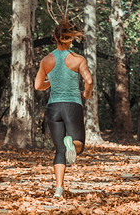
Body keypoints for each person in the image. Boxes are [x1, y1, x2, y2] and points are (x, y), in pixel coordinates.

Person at [34, 19, 93, 198]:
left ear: (55, 38)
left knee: (59, 151)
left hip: (53, 108)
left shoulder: (46, 60)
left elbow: (38, 85)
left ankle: (58, 189)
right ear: (69, 40)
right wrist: (87, 95)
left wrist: (53, 80)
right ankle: (71, 144)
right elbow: (89, 81)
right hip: (72, 106)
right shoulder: (77, 59)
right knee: (79, 146)